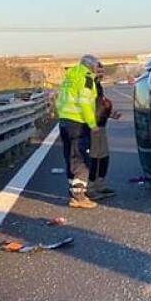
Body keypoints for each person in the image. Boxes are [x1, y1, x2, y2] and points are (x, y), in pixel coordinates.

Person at [55, 55, 101, 209]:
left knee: (70, 157)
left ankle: (74, 191)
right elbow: (85, 103)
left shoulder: (70, 77)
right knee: (81, 159)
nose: (96, 69)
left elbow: (59, 100)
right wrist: (92, 124)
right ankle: (79, 196)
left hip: (64, 122)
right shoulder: (86, 78)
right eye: (95, 66)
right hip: (78, 124)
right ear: (90, 66)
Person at [87, 73, 119, 201]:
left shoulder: (97, 85)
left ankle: (99, 185)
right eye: (99, 70)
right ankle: (90, 188)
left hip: (100, 125)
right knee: (94, 158)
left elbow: (99, 105)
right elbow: (90, 106)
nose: (102, 74)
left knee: (103, 157)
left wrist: (109, 114)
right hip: (93, 127)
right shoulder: (89, 84)